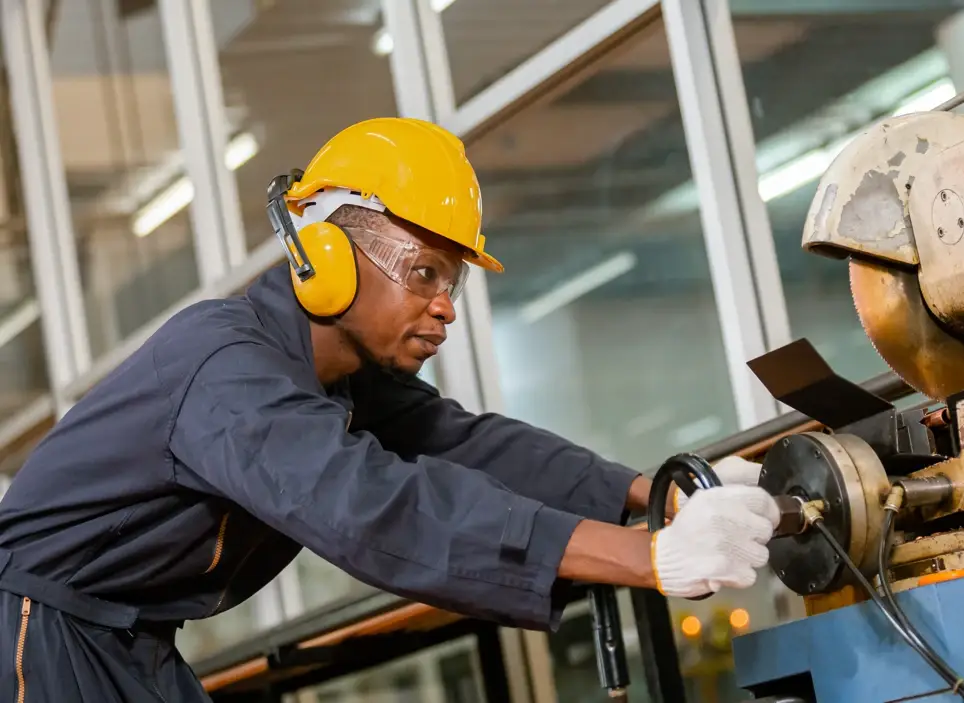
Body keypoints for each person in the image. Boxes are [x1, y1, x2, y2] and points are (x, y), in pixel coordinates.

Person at [0, 118, 780, 702]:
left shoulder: (337, 377)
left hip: (123, 639)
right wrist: (644, 557)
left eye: (453, 283)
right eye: (424, 273)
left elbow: (465, 447)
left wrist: (655, 494)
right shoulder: (228, 366)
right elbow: (373, 508)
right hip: (34, 633)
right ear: (329, 260)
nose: (444, 308)